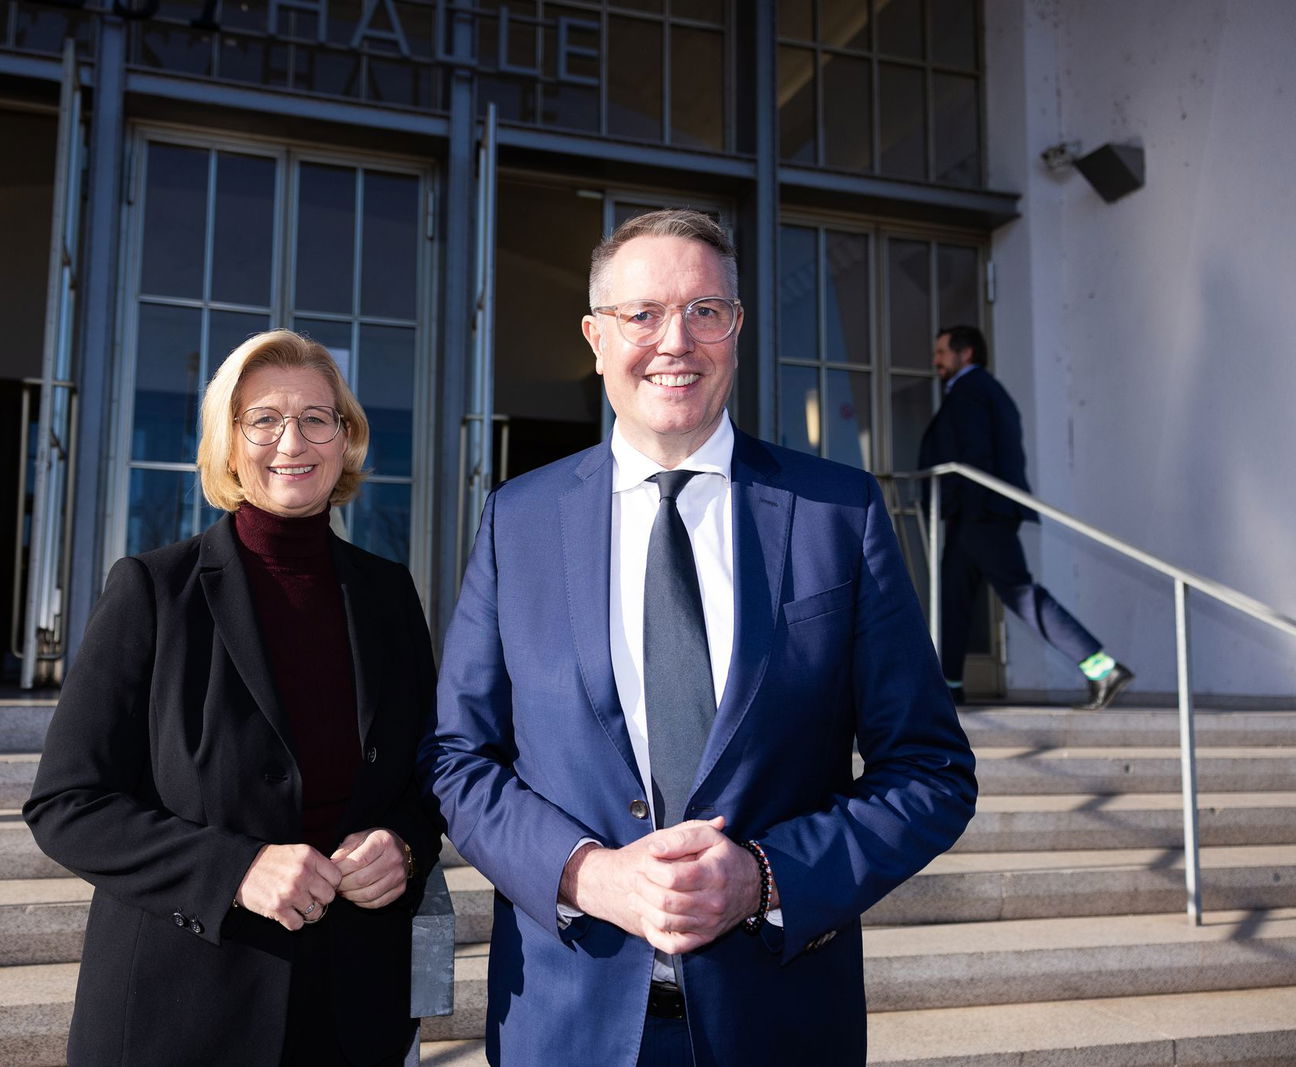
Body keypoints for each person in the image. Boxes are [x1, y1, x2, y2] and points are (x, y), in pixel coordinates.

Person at [422, 210, 977, 1065]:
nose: (674, 341)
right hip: (565, 1023)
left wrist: (764, 876)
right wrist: (586, 874)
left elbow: (932, 772)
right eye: (642, 314)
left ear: (737, 330)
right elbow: (460, 758)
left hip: (781, 1022)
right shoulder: (517, 521)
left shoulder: (839, 513)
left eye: (704, 311)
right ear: (596, 338)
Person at [25, 329, 442, 1065]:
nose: (293, 440)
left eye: (318, 417)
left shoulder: (387, 593)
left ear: (346, 440)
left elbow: (428, 773)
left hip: (356, 1009)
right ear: (228, 442)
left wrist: (404, 845)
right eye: (265, 419)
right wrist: (236, 870)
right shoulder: (152, 591)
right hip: (185, 1010)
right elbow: (66, 803)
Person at [917, 325, 1133, 710]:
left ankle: (1102, 668)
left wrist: (959, 506)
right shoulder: (984, 391)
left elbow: (975, 455)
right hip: (975, 515)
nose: (935, 361)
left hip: (979, 516)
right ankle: (947, 687)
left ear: (965, 354)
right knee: (953, 602)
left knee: (1021, 595)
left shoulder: (972, 391)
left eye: (942, 352)